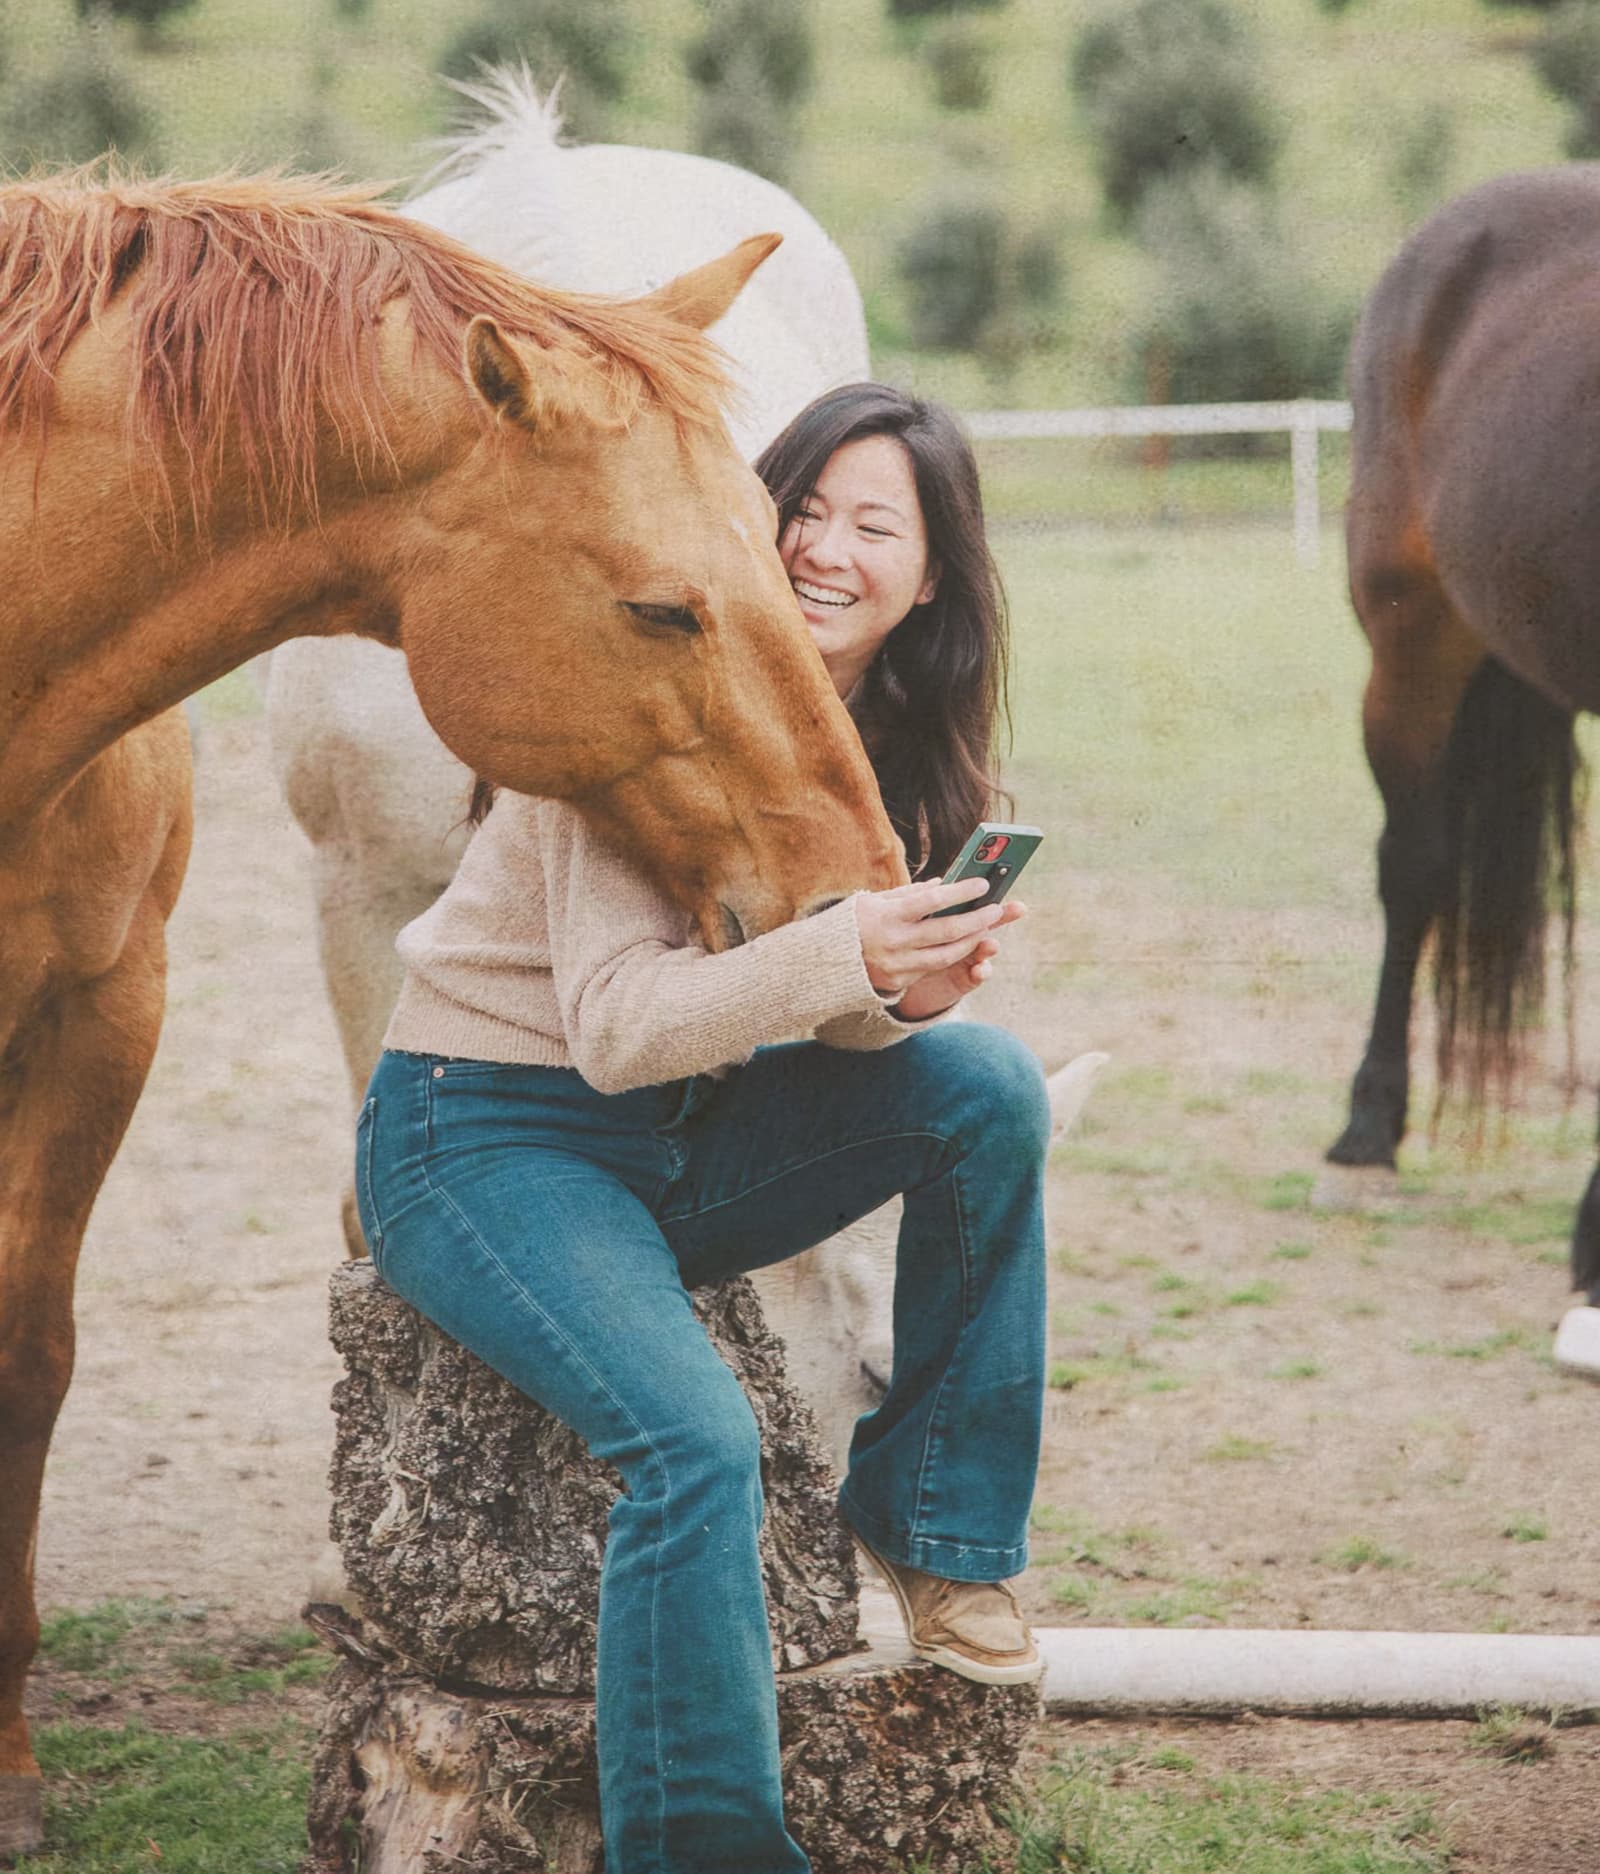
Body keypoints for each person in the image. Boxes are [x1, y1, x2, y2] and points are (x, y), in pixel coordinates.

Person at [355, 381, 1051, 1874]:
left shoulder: (878, 744)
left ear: (930, 578)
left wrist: (904, 991)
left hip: (671, 1145)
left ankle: (938, 1534)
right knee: (693, 1439)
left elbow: (820, 1014)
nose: (826, 547)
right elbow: (616, 1027)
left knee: (984, 1085)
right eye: (806, 508)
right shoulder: (640, 684)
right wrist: (848, 955)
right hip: (485, 1135)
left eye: (878, 526)